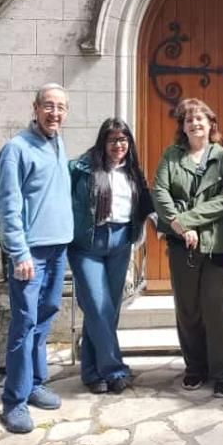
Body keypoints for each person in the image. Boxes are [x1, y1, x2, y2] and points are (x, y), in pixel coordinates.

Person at [0, 83, 75, 434]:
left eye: (60, 107)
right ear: (35, 108)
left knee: (44, 320)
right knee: (24, 324)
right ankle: (14, 401)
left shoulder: (57, 143)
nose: (54, 113)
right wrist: (19, 253)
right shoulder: (16, 149)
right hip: (31, 254)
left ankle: (35, 384)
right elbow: (7, 206)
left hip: (58, 248)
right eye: (48, 106)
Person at [152, 97, 223, 398]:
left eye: (200, 118)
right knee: (187, 308)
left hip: (216, 243)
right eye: (189, 120)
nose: (195, 123)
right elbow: (159, 191)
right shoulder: (171, 155)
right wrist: (178, 226)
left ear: (211, 123)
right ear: (183, 126)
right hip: (181, 244)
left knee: (215, 308)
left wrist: (187, 219)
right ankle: (195, 367)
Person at [69, 118, 155, 395]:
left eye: (123, 139)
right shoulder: (81, 168)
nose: (118, 145)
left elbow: (145, 202)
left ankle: (91, 373)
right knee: (98, 306)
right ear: (102, 141)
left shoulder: (133, 172)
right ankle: (115, 370)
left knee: (109, 309)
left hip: (120, 242)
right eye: (112, 140)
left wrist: (160, 223)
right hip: (87, 244)